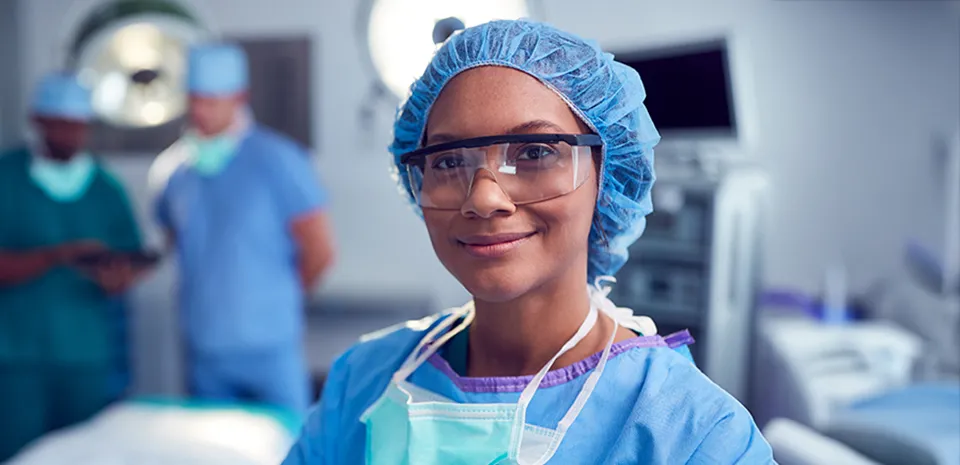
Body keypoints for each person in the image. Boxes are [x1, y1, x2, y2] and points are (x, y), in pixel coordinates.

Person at [283, 20, 774, 464]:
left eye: (536, 151)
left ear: (607, 175)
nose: (484, 198)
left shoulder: (698, 437)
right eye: (449, 161)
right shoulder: (362, 382)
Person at [152, 43, 336, 415]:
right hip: (204, 349)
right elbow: (173, 243)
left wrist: (272, 299)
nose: (200, 111)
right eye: (195, 100)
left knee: (287, 447)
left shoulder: (279, 161)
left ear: (239, 97)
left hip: (270, 347)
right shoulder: (174, 171)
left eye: (212, 101)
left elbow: (320, 253)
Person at [0, 72, 148, 460]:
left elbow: (127, 265)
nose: (71, 135)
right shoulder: (7, 179)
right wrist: (57, 255)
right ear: (38, 121)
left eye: (79, 125)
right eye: (61, 125)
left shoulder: (105, 189)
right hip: (17, 359)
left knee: (84, 455)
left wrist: (116, 277)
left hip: (87, 357)